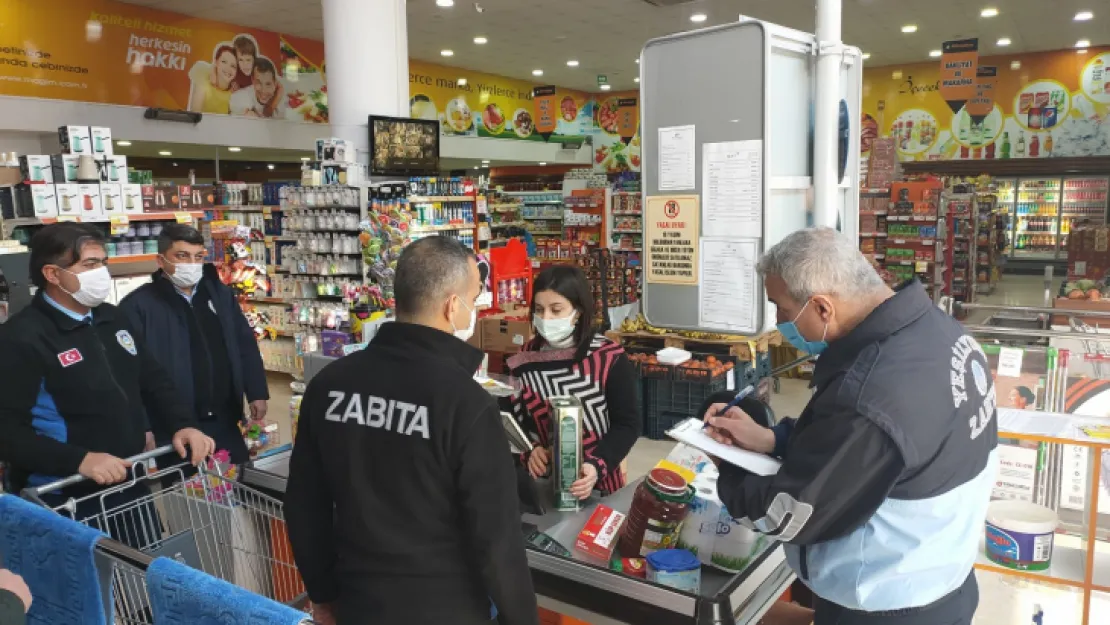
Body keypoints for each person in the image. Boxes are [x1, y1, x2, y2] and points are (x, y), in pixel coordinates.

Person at [702, 228, 996, 625]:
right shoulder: (938, 333)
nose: (778, 322)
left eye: (783, 311)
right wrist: (773, 438)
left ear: (822, 308)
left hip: (885, 604)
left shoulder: (872, 393)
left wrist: (728, 463)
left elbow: (788, 514)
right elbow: (875, 453)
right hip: (945, 581)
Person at [284, 237, 537, 625]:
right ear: (453, 306)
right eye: (475, 296)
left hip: (357, 601)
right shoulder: (466, 403)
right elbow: (497, 540)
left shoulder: (329, 385)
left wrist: (321, 594)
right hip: (446, 607)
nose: (476, 306)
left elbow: (304, 504)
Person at [0, 223, 214, 523]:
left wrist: (183, 424)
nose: (101, 272)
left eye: (103, 262)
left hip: (129, 479)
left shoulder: (112, 318)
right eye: (89, 264)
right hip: (63, 496)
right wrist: (80, 460)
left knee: (141, 566)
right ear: (52, 274)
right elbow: (8, 433)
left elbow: (153, 380)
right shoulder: (22, 338)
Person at [119, 224, 269, 465]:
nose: (191, 264)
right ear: (161, 260)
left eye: (198, 257)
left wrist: (256, 391)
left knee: (239, 483)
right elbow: (127, 372)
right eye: (182, 256)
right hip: (174, 426)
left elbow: (244, 344)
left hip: (224, 416)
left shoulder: (219, 295)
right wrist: (143, 424)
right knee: (188, 496)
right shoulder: (137, 306)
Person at [503, 265, 641, 497]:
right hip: (541, 485)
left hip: (598, 482)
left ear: (578, 311)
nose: (546, 318)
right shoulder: (521, 361)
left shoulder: (607, 357)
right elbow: (508, 420)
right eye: (539, 309)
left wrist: (597, 465)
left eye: (556, 310)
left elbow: (628, 424)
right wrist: (529, 450)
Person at [188, 45, 238, 114]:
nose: (228, 68)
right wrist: (212, 69)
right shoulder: (204, 81)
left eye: (233, 66)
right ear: (216, 62)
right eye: (224, 62)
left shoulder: (235, 92)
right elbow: (195, 113)